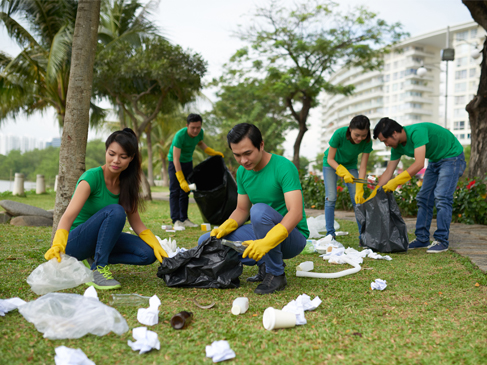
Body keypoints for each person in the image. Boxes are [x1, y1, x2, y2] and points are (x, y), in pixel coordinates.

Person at [44, 128, 168, 290]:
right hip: (75, 242)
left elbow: (137, 224)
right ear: (106, 152)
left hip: (100, 240)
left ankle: (95, 257)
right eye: (112, 154)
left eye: (123, 157)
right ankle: (98, 269)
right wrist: (58, 244)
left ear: (131, 158)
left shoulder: (127, 184)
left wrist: (156, 244)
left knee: (147, 253)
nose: (116, 160)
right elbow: (67, 217)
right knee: (115, 211)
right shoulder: (91, 178)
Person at [197, 123, 309, 294]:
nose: (243, 160)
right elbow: (242, 209)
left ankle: (276, 273)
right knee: (207, 241)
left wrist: (268, 241)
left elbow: (295, 212)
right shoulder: (242, 172)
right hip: (261, 230)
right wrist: (226, 226)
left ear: (261, 145)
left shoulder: (283, 167)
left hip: (292, 237)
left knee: (258, 211)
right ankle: (264, 263)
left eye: (247, 153)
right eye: (237, 155)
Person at [373, 118, 466, 253]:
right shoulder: (397, 147)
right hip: (435, 160)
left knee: (442, 197)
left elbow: (419, 164)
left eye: (385, 141)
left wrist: (395, 182)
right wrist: (377, 191)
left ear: (394, 133)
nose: (386, 144)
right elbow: (389, 171)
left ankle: (442, 240)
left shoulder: (417, 132)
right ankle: (422, 239)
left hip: (452, 156)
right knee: (423, 198)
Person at [168, 113, 224, 229]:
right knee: (175, 191)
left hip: (188, 162)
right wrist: (181, 179)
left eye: (198, 128)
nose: (195, 130)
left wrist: (212, 152)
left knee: (186, 192)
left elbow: (200, 143)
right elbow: (176, 158)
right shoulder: (180, 136)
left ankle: (184, 218)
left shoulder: (200, 133)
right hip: (175, 163)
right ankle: (176, 220)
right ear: (187, 125)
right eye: (193, 128)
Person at [323, 115, 372, 240]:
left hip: (350, 166)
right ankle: (330, 234)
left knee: (358, 200)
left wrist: (360, 186)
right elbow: (330, 158)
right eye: (357, 135)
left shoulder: (367, 141)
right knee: (331, 197)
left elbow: (362, 167)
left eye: (363, 135)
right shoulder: (339, 134)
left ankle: (363, 235)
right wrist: (342, 172)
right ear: (350, 129)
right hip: (331, 165)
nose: (360, 138)